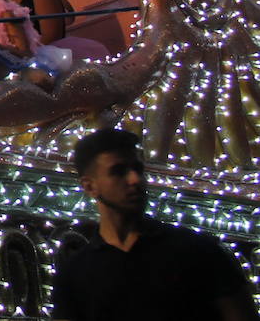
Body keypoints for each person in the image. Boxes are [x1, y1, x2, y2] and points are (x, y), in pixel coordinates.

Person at [51, 127, 256, 321]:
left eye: (138, 169)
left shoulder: (198, 251)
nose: (134, 179)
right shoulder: (76, 274)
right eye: (118, 171)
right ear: (90, 186)